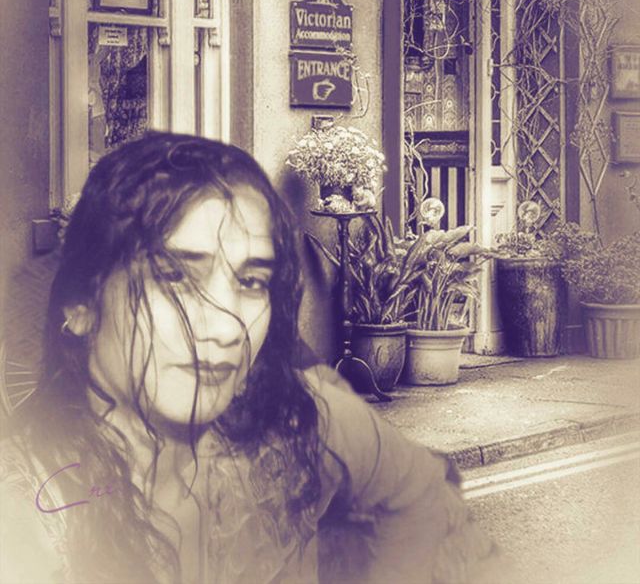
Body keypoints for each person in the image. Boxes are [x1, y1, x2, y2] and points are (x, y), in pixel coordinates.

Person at [0, 132, 501, 584]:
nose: (227, 328)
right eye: (175, 277)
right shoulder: (25, 521)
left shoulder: (295, 424)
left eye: (251, 281)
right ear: (80, 304)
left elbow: (420, 492)